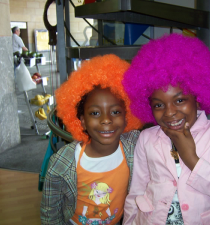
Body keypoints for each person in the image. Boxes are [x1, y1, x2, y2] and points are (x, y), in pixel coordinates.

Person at [122, 34, 210, 225]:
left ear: (198, 97)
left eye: (180, 100)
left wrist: (193, 160)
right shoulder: (147, 138)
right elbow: (137, 193)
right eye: (158, 105)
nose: (169, 113)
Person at [40, 54, 143, 225]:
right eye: (95, 113)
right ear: (82, 121)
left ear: (127, 116)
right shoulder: (62, 162)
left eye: (116, 111)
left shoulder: (133, 144)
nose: (106, 120)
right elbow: (50, 212)